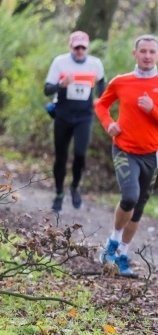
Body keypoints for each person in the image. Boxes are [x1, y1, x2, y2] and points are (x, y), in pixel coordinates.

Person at [95, 35, 158, 278]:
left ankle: (122, 254)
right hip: (124, 149)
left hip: (152, 154)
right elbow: (101, 105)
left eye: (151, 52)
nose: (147, 55)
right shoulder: (121, 82)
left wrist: (152, 110)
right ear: (134, 54)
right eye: (142, 51)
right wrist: (108, 124)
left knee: (139, 207)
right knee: (130, 196)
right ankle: (112, 243)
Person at [44, 31, 106, 212]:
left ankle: (75, 187)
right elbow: (47, 89)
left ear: (87, 47)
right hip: (63, 115)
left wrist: (100, 100)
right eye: (76, 47)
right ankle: (58, 194)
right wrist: (61, 84)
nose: (79, 51)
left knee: (80, 154)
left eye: (83, 48)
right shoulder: (60, 62)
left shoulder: (95, 64)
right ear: (70, 47)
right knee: (60, 157)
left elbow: (102, 85)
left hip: (84, 116)